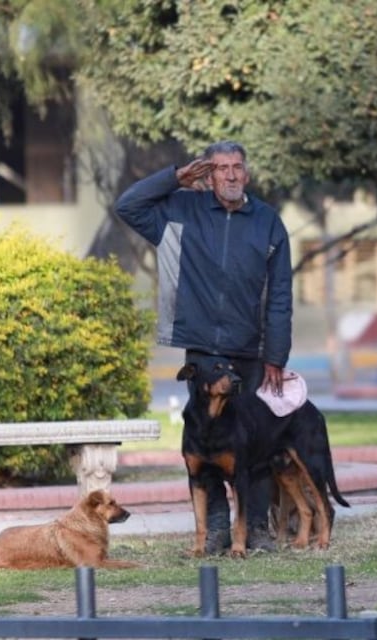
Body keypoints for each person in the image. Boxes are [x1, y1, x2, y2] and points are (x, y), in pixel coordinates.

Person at [116, 141, 292, 554]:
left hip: (250, 350)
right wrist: (174, 177)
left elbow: (280, 293)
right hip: (200, 350)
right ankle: (214, 532)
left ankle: (258, 533)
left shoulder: (268, 221)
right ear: (208, 175)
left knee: (258, 446)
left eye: (237, 167)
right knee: (204, 443)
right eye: (221, 168)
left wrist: (276, 354)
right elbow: (128, 206)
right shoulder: (180, 212)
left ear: (246, 174)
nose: (230, 175)